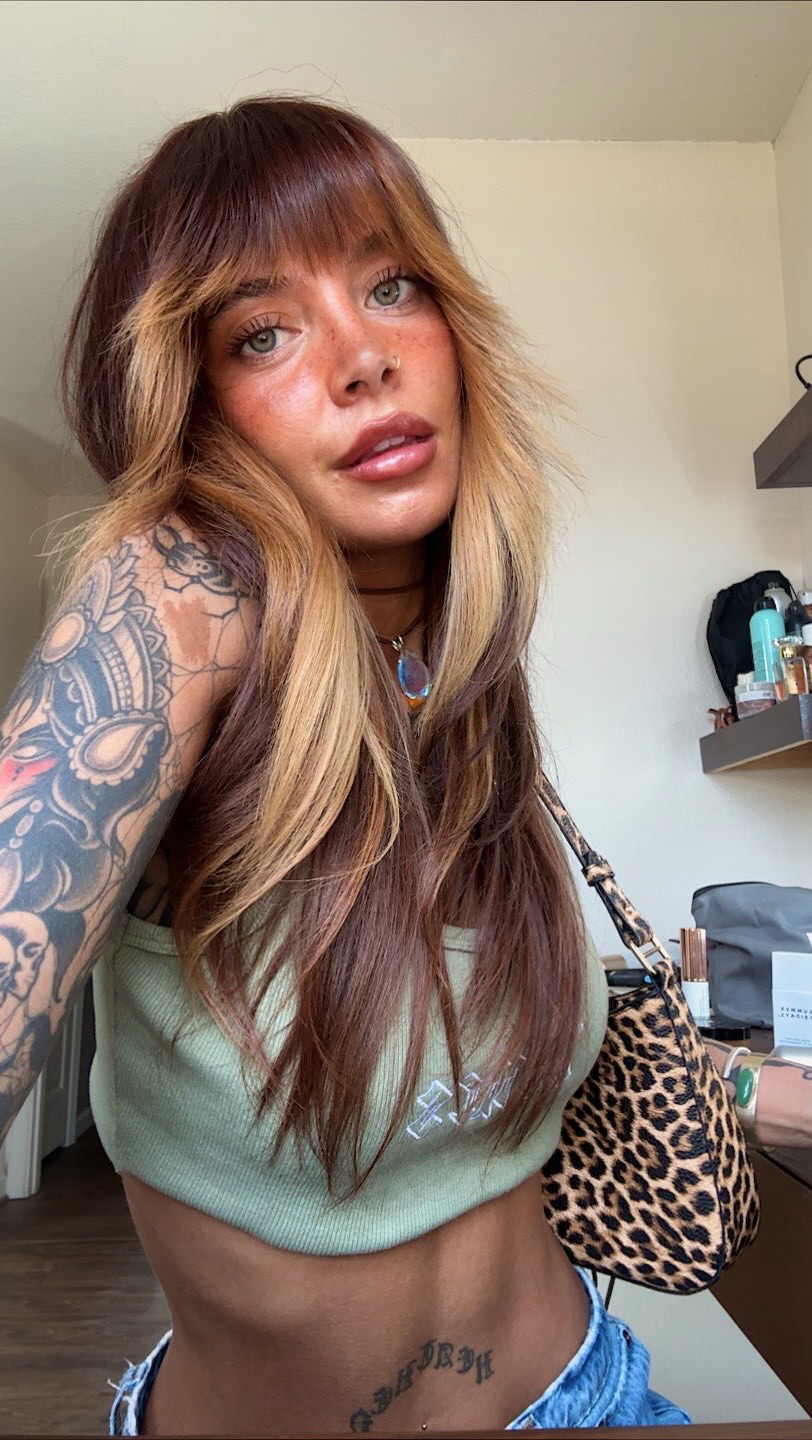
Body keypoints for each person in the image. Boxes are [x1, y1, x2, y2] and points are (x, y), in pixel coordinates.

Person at [1, 96, 811, 1438]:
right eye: (262, 332)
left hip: (596, 1395)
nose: (363, 357)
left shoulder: (461, 680)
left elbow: (482, 1063)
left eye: (391, 286)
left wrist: (746, 1087)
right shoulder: (181, 600)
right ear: (194, 410)